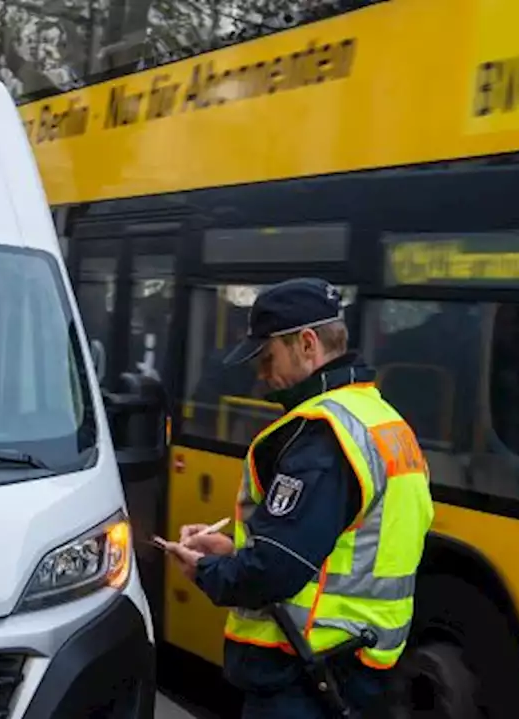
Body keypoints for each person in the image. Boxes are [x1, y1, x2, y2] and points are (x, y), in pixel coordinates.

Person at [159, 277, 435, 719]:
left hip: (306, 672)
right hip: (359, 665)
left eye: (268, 358)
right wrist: (235, 549)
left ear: (307, 345)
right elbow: (337, 550)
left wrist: (209, 571)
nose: (262, 376)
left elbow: (277, 569)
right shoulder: (382, 420)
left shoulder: (324, 438)